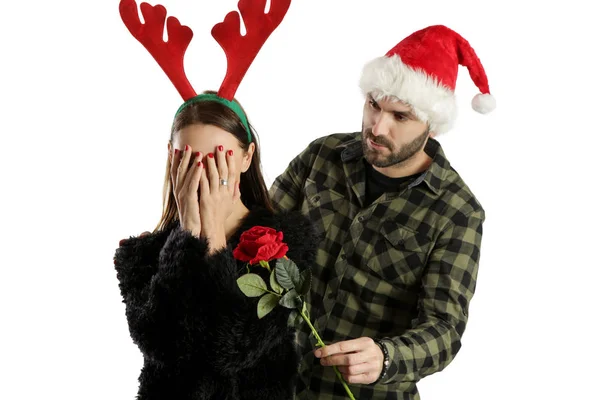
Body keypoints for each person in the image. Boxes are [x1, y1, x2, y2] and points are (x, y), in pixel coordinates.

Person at [269, 25, 495, 399]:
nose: (377, 127)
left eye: (400, 116)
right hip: (279, 383)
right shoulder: (321, 156)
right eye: (374, 104)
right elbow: (256, 228)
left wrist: (387, 358)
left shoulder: (457, 212)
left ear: (432, 126)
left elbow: (444, 327)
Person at [113, 1, 318, 399]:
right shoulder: (139, 255)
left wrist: (216, 245)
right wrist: (188, 237)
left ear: (246, 157)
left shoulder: (287, 240)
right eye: (190, 160)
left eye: (218, 158)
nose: (205, 174)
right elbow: (163, 345)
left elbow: (233, 348)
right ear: (173, 162)